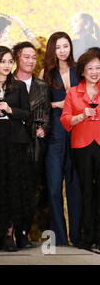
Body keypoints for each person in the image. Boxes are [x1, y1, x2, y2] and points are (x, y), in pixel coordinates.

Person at [0, 45, 34, 252]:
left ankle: (10, 234)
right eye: (3, 61)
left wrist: (10, 110)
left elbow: (28, 114)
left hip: (14, 144)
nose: (7, 65)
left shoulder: (18, 86)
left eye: (10, 61)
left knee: (12, 189)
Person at [42, 32, 82, 246]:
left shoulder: (79, 71)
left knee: (75, 188)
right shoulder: (46, 73)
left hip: (77, 133)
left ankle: (78, 236)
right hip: (55, 135)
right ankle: (59, 237)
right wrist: (59, 104)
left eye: (66, 46)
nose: (62, 50)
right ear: (52, 50)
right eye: (58, 47)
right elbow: (40, 106)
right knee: (54, 186)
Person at [13, 42, 51, 248]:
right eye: (26, 56)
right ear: (17, 58)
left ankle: (23, 233)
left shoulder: (42, 86)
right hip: (10, 144)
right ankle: (5, 233)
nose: (30, 61)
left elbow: (46, 114)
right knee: (10, 188)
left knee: (30, 190)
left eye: (33, 57)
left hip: (34, 145)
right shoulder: (6, 83)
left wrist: (43, 128)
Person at [60, 49, 100, 250]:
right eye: (90, 68)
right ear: (82, 72)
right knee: (86, 192)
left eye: (98, 68)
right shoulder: (73, 92)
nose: (94, 72)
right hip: (82, 145)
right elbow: (65, 120)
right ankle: (87, 236)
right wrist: (81, 116)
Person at [0, 14, 38, 80]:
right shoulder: (7, 46)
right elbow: (35, 44)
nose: (7, 36)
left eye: (8, 33)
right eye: (6, 33)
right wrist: (21, 24)